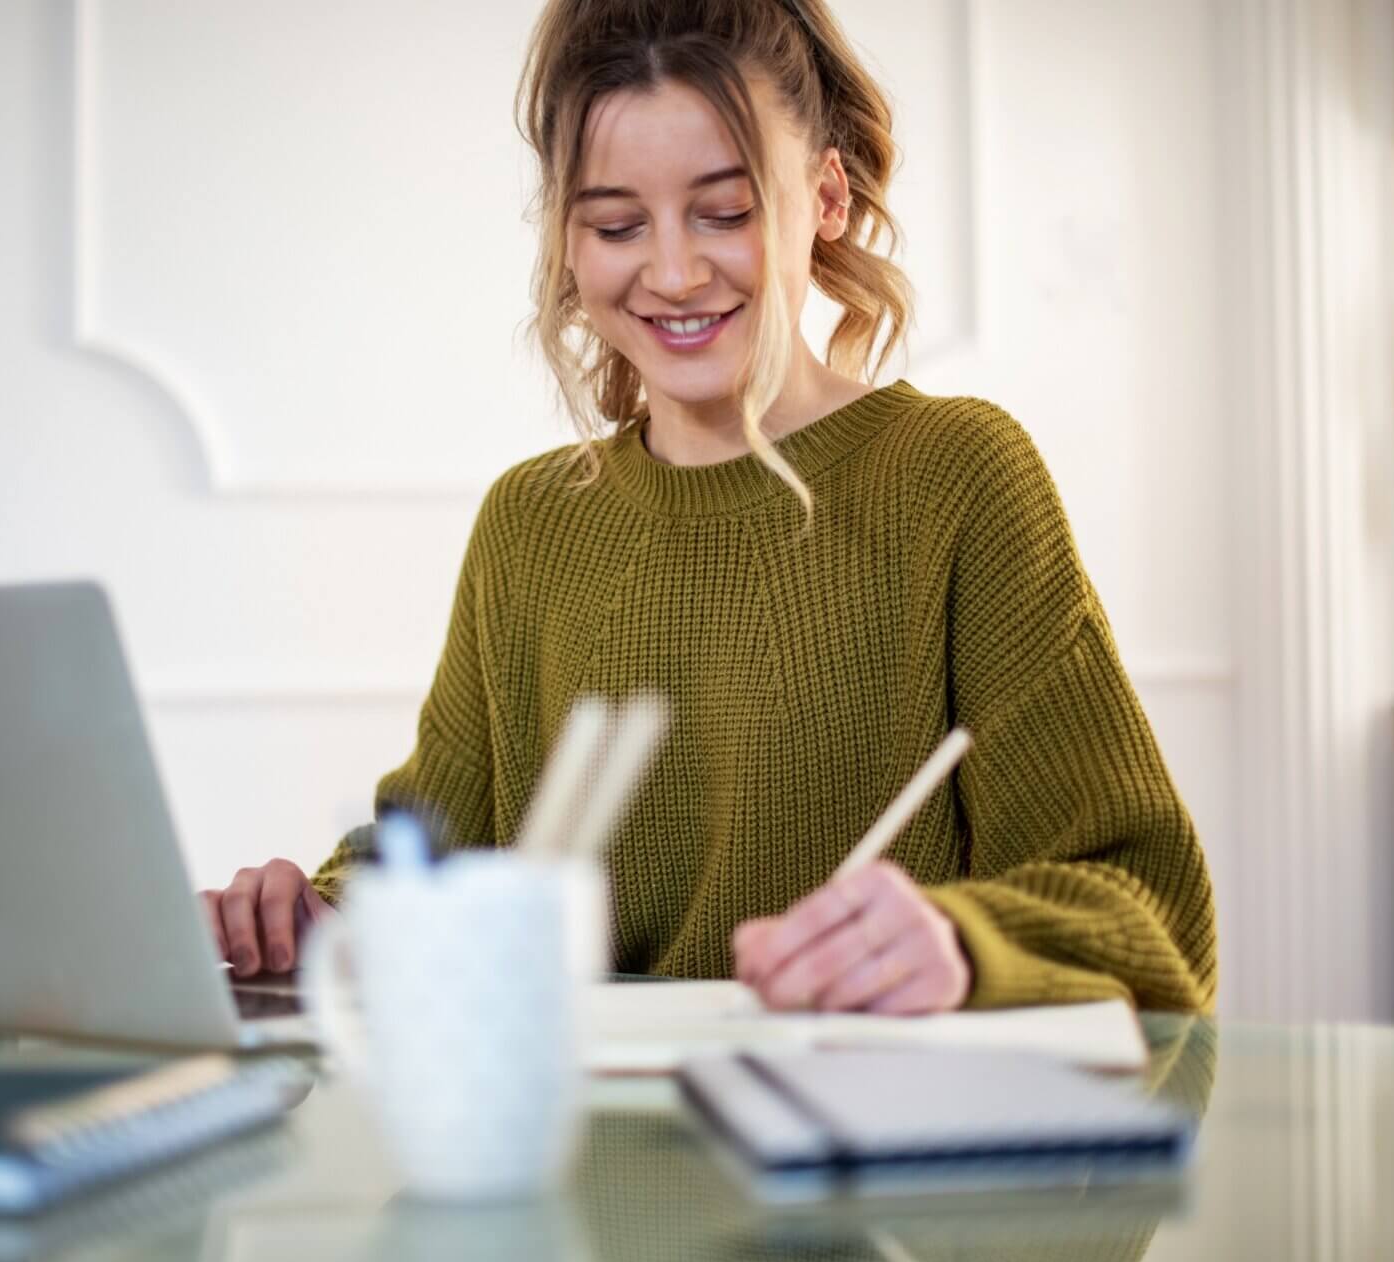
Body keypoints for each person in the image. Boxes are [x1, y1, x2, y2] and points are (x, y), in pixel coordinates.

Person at [202, 0, 1216, 1016]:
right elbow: (435, 867)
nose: (676, 272)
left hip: (849, 1148)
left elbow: (1153, 911)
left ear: (825, 197)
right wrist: (322, 923)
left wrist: (964, 942)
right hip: (580, 1156)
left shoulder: (956, 476)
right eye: (616, 224)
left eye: (725, 212)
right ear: (567, 240)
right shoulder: (530, 522)